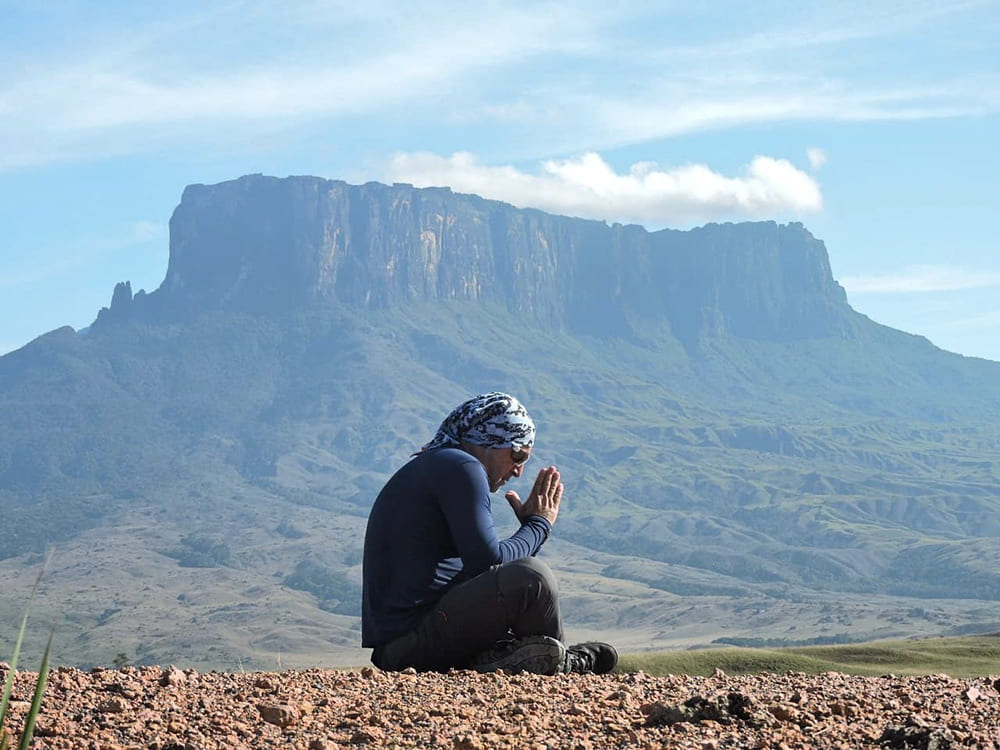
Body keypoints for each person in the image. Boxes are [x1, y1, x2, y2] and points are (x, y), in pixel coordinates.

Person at [361, 391, 617, 675]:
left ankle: (511, 658)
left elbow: (481, 569)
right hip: (412, 643)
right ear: (488, 441)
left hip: (410, 641)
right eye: (517, 455)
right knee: (532, 578)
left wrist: (533, 531)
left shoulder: (441, 464)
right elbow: (488, 561)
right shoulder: (462, 466)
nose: (518, 471)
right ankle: (562, 665)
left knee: (524, 578)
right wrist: (538, 525)